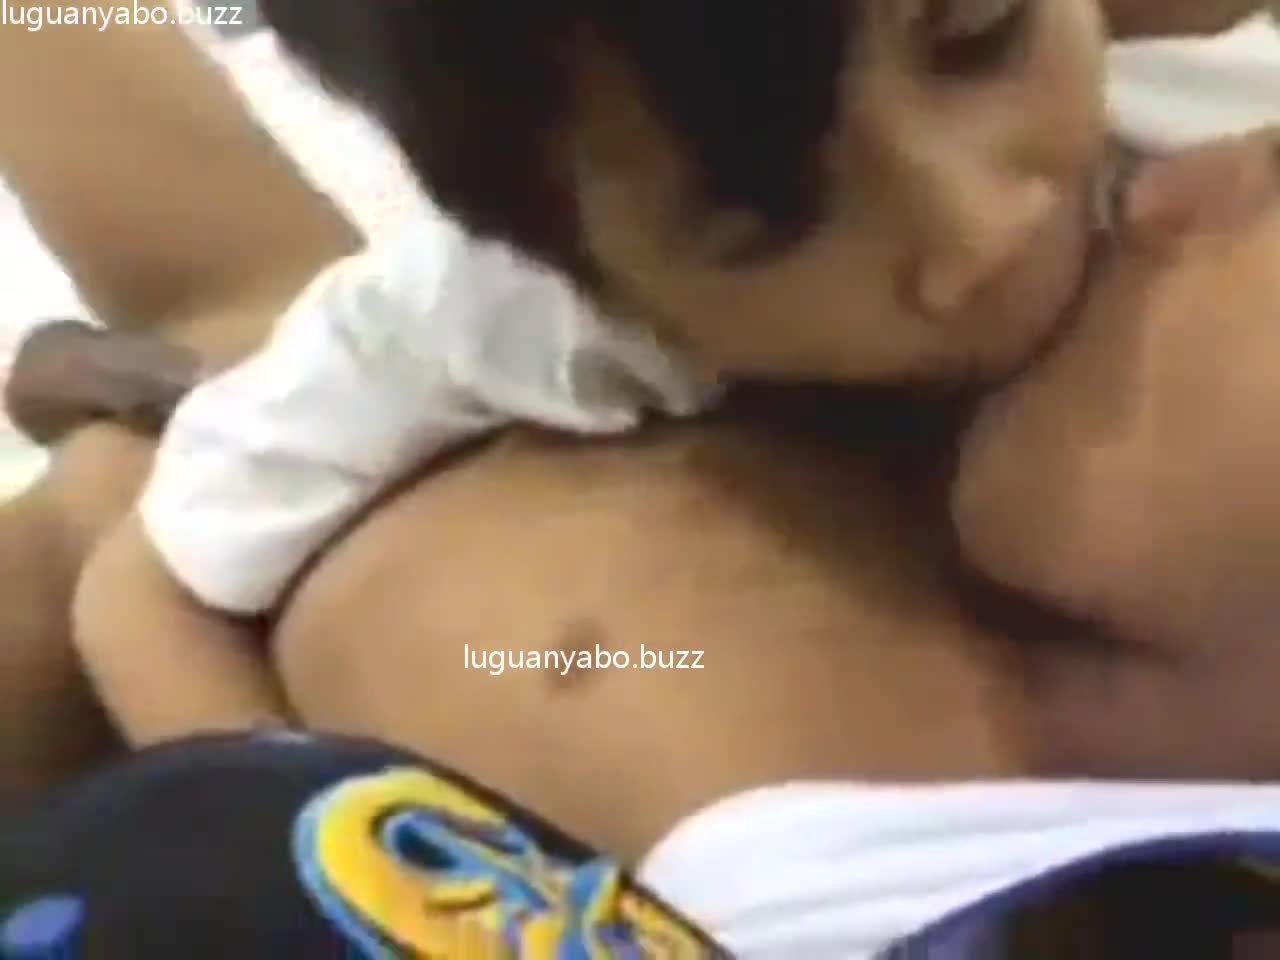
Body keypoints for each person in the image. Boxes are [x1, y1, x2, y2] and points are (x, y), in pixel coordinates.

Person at [0, 1, 1266, 784]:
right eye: (763, 225)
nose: (979, 228)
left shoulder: (1183, 83)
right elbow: (146, 589)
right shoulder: (502, 313)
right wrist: (328, 841)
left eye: (975, 36)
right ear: (566, 258)